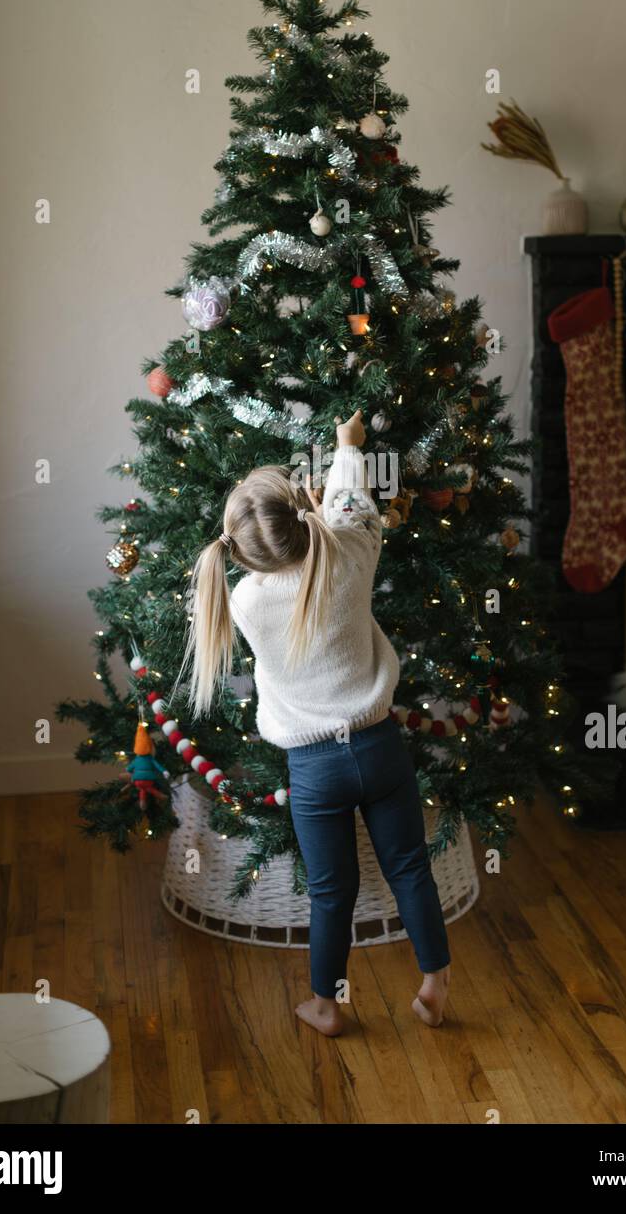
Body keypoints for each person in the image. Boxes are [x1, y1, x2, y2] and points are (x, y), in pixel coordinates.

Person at [186, 409, 451, 1036]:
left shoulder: (247, 601)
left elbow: (321, 531)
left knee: (332, 891)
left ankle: (327, 1005)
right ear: (303, 511)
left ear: (241, 550)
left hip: (315, 769)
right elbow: (351, 507)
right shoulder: (349, 557)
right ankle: (435, 983)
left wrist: (306, 513)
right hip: (380, 746)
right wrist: (347, 446)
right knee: (410, 866)